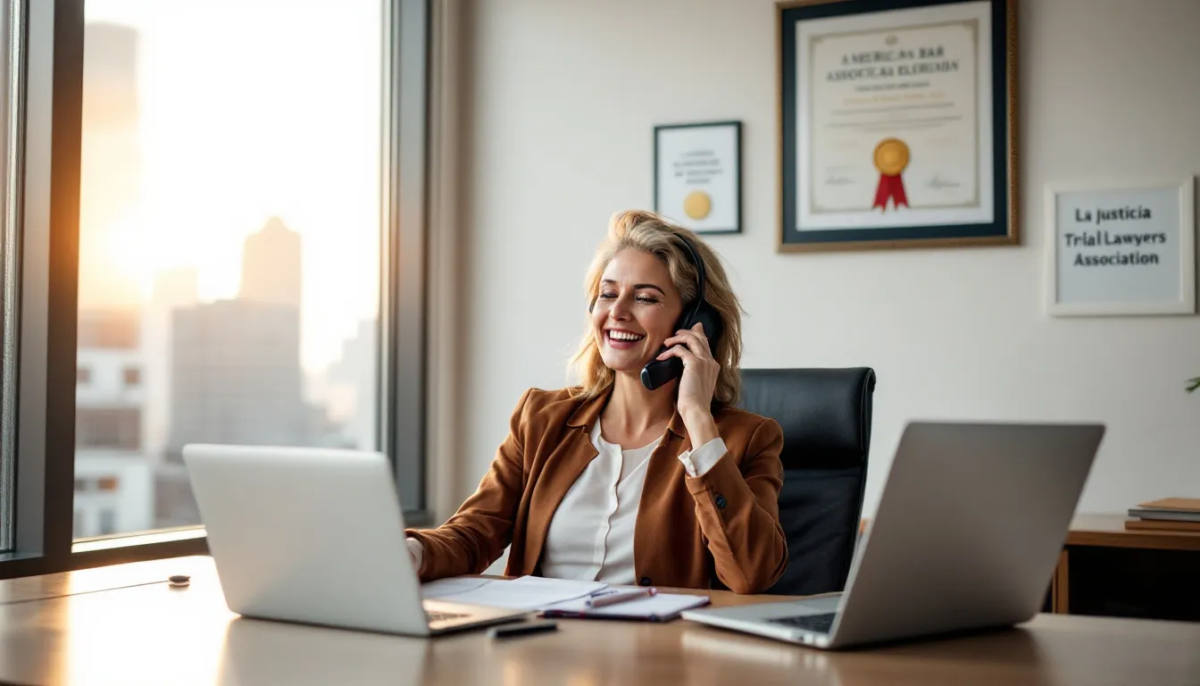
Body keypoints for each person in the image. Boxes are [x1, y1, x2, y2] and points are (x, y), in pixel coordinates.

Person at [405, 210, 787, 593]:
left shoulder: (746, 439)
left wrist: (697, 418)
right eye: (607, 294)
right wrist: (411, 552)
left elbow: (750, 574)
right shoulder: (540, 419)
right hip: (541, 643)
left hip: (661, 649)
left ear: (695, 323)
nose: (617, 313)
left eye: (645, 298)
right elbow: (473, 534)